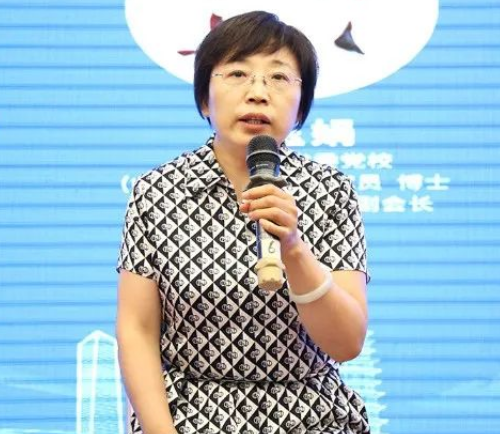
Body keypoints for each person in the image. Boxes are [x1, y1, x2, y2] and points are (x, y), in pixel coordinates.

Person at [116, 10, 370, 434]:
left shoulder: (331, 191)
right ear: (204, 98)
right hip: (192, 416)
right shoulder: (157, 191)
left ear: (301, 105)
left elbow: (346, 343)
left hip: (313, 418)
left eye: (279, 77)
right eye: (237, 74)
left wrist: (293, 248)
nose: (258, 93)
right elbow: (137, 330)